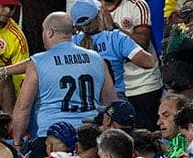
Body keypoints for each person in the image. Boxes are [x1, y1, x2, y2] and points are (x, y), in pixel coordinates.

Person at [11, 12, 115, 149]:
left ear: (49, 32)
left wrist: (17, 143)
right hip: (89, 139)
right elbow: (111, 103)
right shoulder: (97, 58)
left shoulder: (38, 62)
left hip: (51, 139)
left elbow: (23, 108)